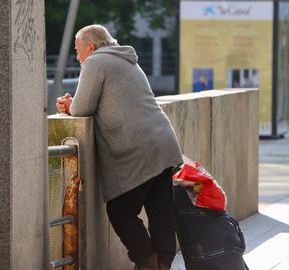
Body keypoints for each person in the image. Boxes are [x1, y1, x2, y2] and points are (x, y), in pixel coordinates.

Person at [56, 24, 183, 270]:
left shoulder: (96, 62)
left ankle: (148, 263)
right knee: (160, 212)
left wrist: (69, 105)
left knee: (120, 210)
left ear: (90, 47)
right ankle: (162, 264)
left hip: (139, 148)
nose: (78, 56)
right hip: (163, 141)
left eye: (78, 50)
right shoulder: (127, 60)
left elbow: (83, 108)